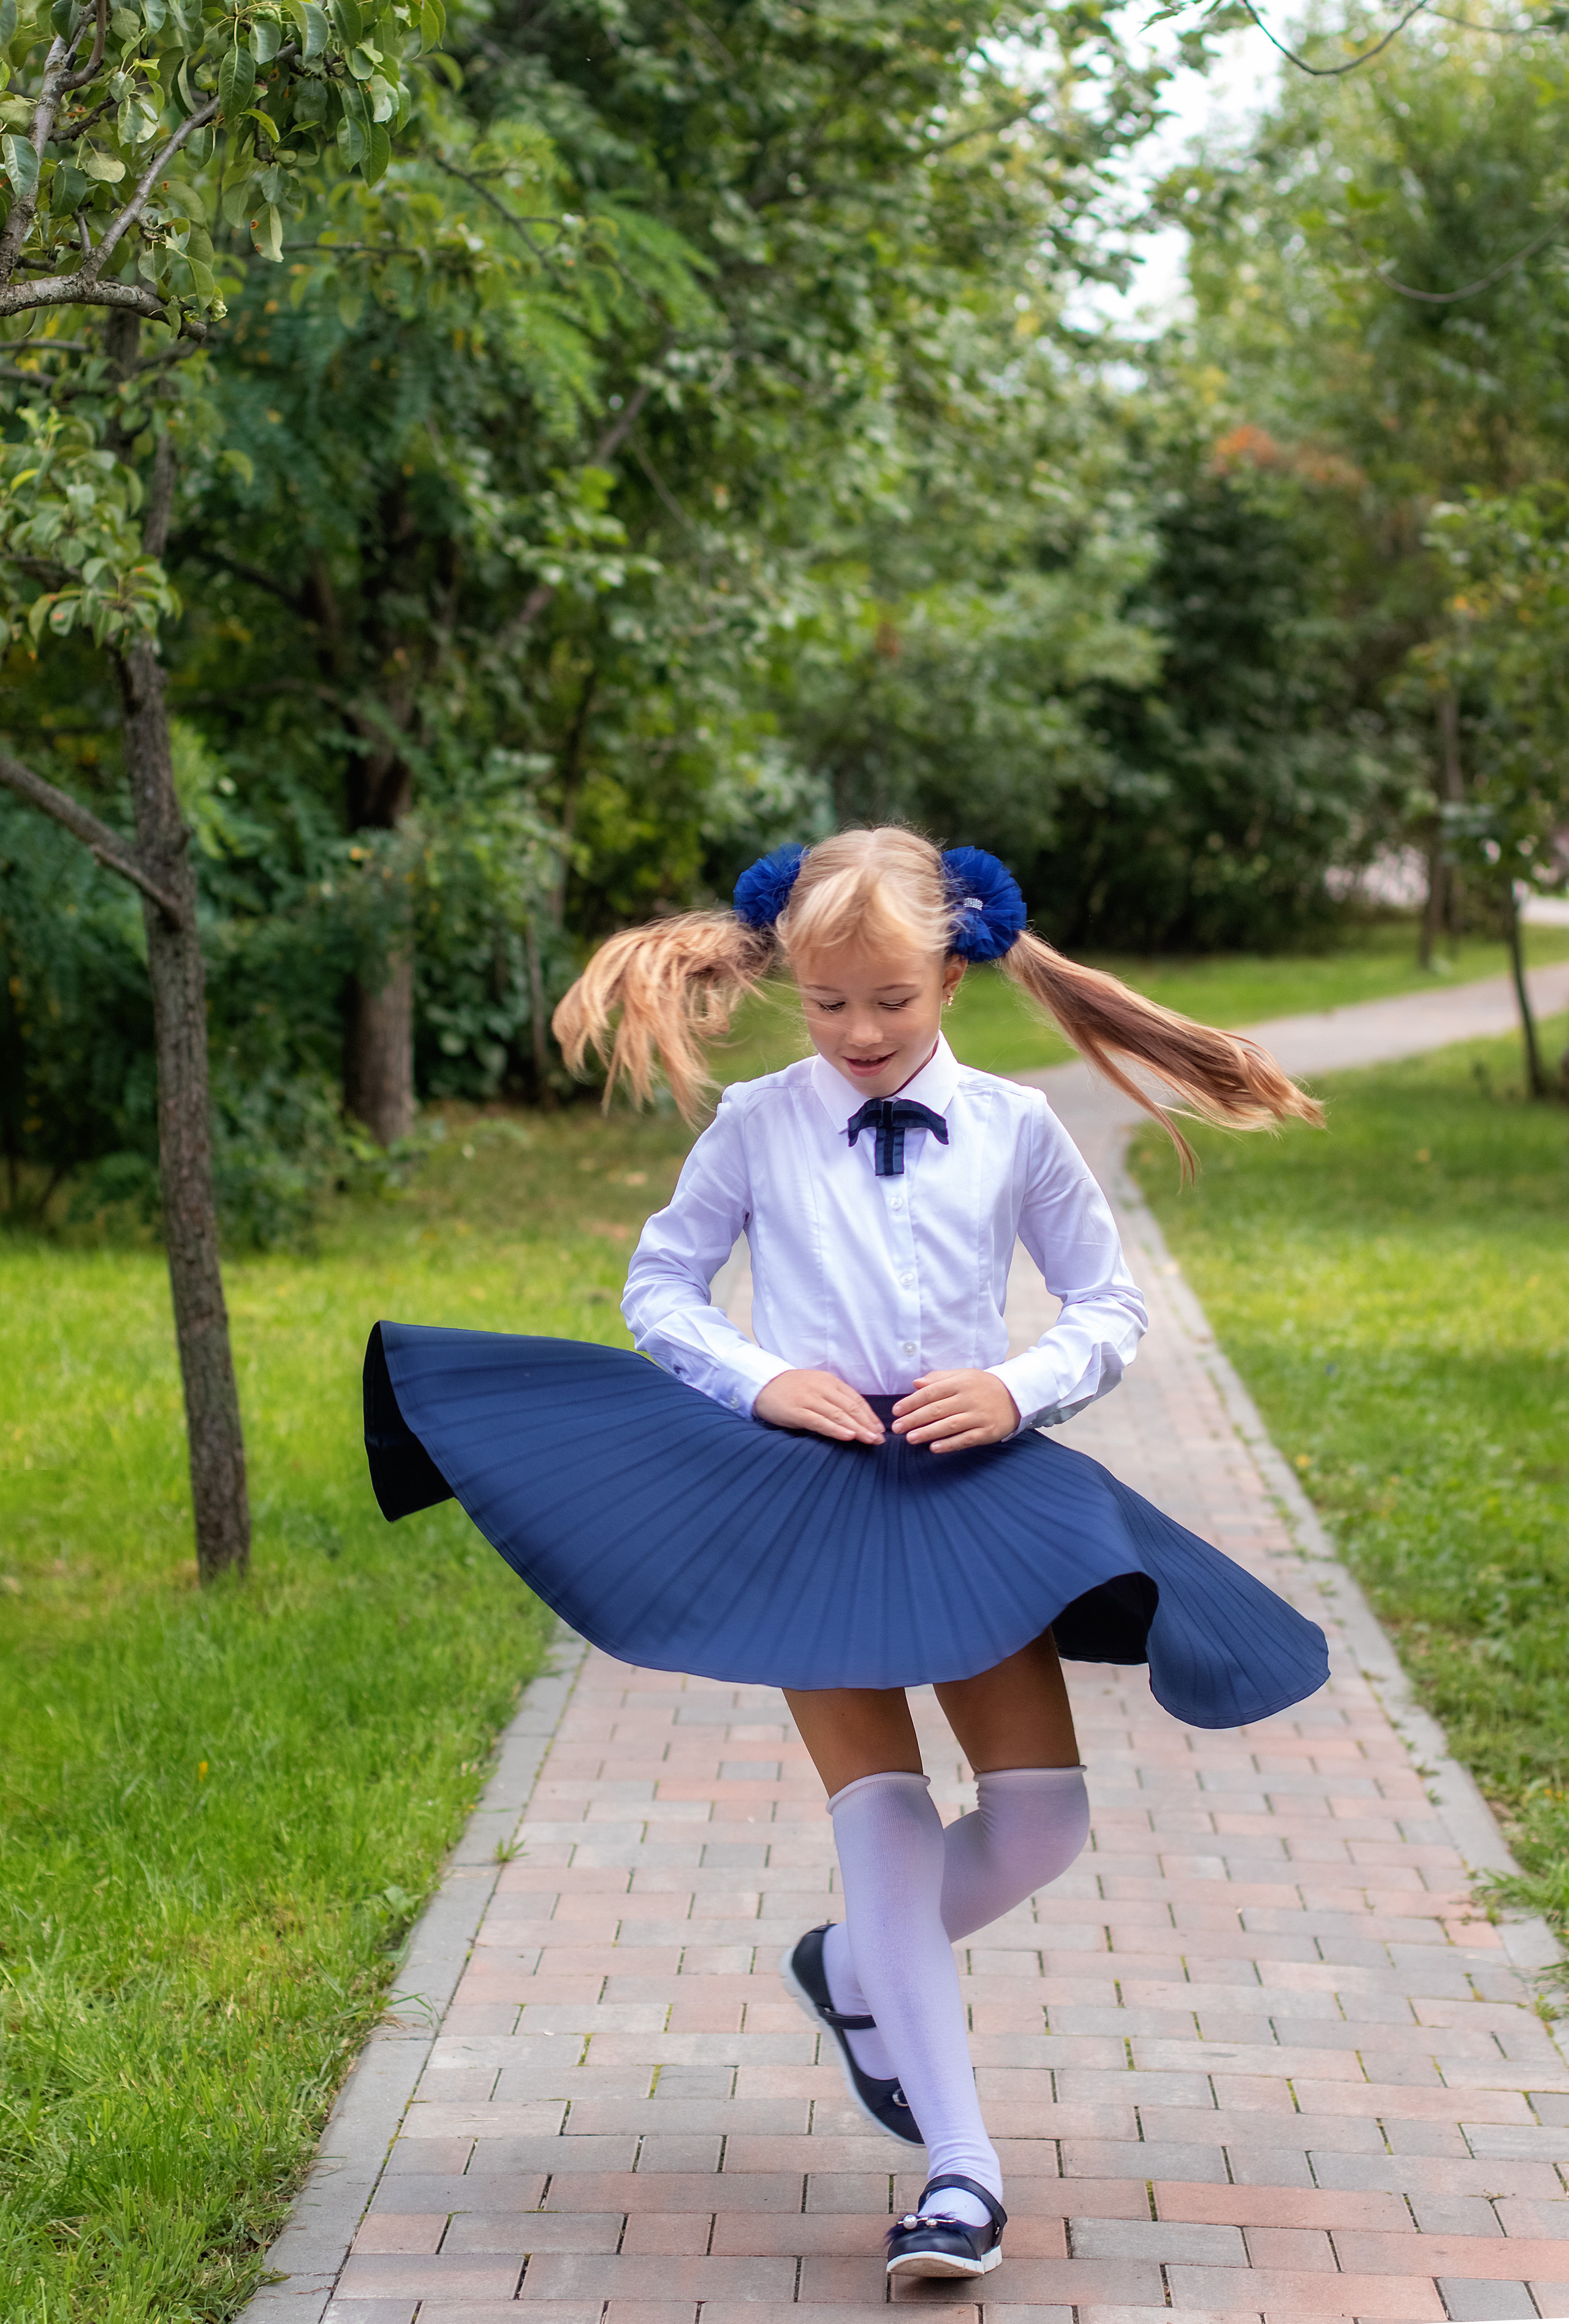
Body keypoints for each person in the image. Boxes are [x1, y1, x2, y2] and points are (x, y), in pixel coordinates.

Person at [363, 826, 1328, 2284]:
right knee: (878, 1811)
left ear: (953, 970)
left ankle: (852, 1965)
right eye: (826, 1005)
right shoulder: (753, 1123)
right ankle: (959, 2172)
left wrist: (1018, 1385)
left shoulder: (1014, 1126)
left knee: (1040, 1822)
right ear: (790, 985)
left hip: (968, 1484)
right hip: (802, 1495)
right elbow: (660, 1282)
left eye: (891, 999)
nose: (860, 1031)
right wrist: (757, 1380)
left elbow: (1106, 1305)